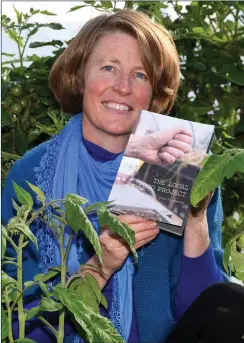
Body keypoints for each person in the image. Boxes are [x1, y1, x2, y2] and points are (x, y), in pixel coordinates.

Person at [2, 9, 243, 343]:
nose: (123, 87)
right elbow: (19, 328)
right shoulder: (31, 175)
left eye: (141, 75)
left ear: (155, 93)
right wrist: (102, 265)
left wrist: (197, 220)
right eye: (109, 68)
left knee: (231, 301)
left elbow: (211, 319)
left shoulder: (180, 165)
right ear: (80, 75)